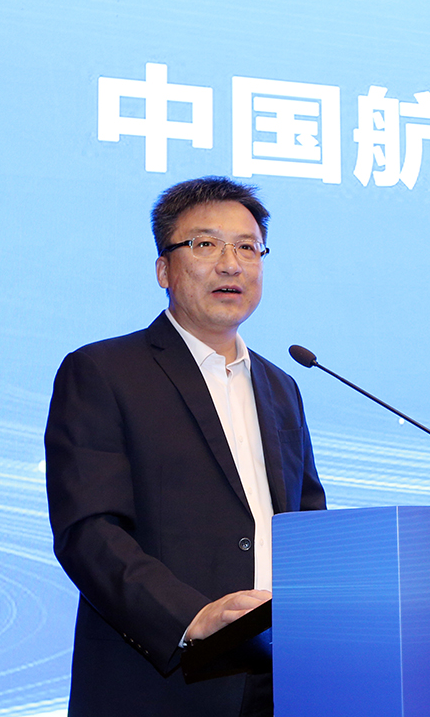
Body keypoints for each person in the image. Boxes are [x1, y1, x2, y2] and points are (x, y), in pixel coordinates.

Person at [44, 177, 326, 716]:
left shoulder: (281, 386)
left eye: (247, 248)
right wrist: (190, 617)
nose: (231, 264)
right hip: (163, 682)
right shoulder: (103, 372)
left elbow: (306, 521)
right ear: (164, 269)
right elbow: (89, 530)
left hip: (281, 682)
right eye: (206, 244)